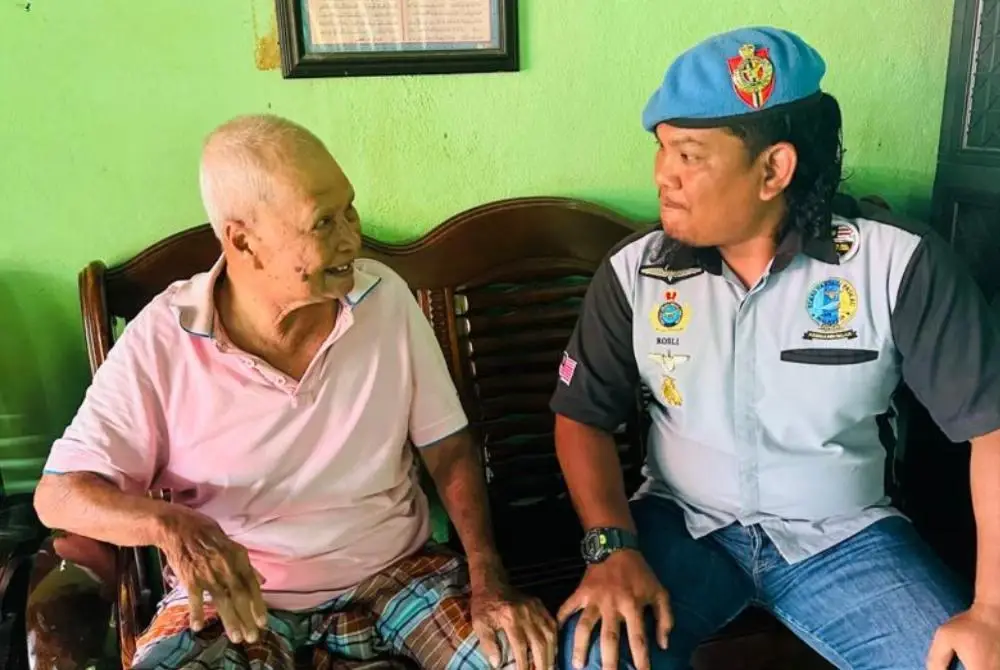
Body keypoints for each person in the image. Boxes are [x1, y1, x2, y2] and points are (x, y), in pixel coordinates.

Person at [34, 114, 555, 670]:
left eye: (349, 208)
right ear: (243, 241)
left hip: (397, 577)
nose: (352, 237)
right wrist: (169, 526)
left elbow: (448, 449)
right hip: (238, 600)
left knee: (546, 659)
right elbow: (58, 494)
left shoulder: (385, 300)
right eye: (324, 222)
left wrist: (487, 576)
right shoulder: (166, 337)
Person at [550, 26, 1000, 670]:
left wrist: (991, 610)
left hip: (845, 538)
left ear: (774, 169)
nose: (663, 176)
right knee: (597, 658)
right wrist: (612, 547)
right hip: (683, 527)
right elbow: (581, 417)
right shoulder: (637, 274)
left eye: (689, 156)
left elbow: (993, 430)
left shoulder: (896, 264)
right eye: (662, 151)